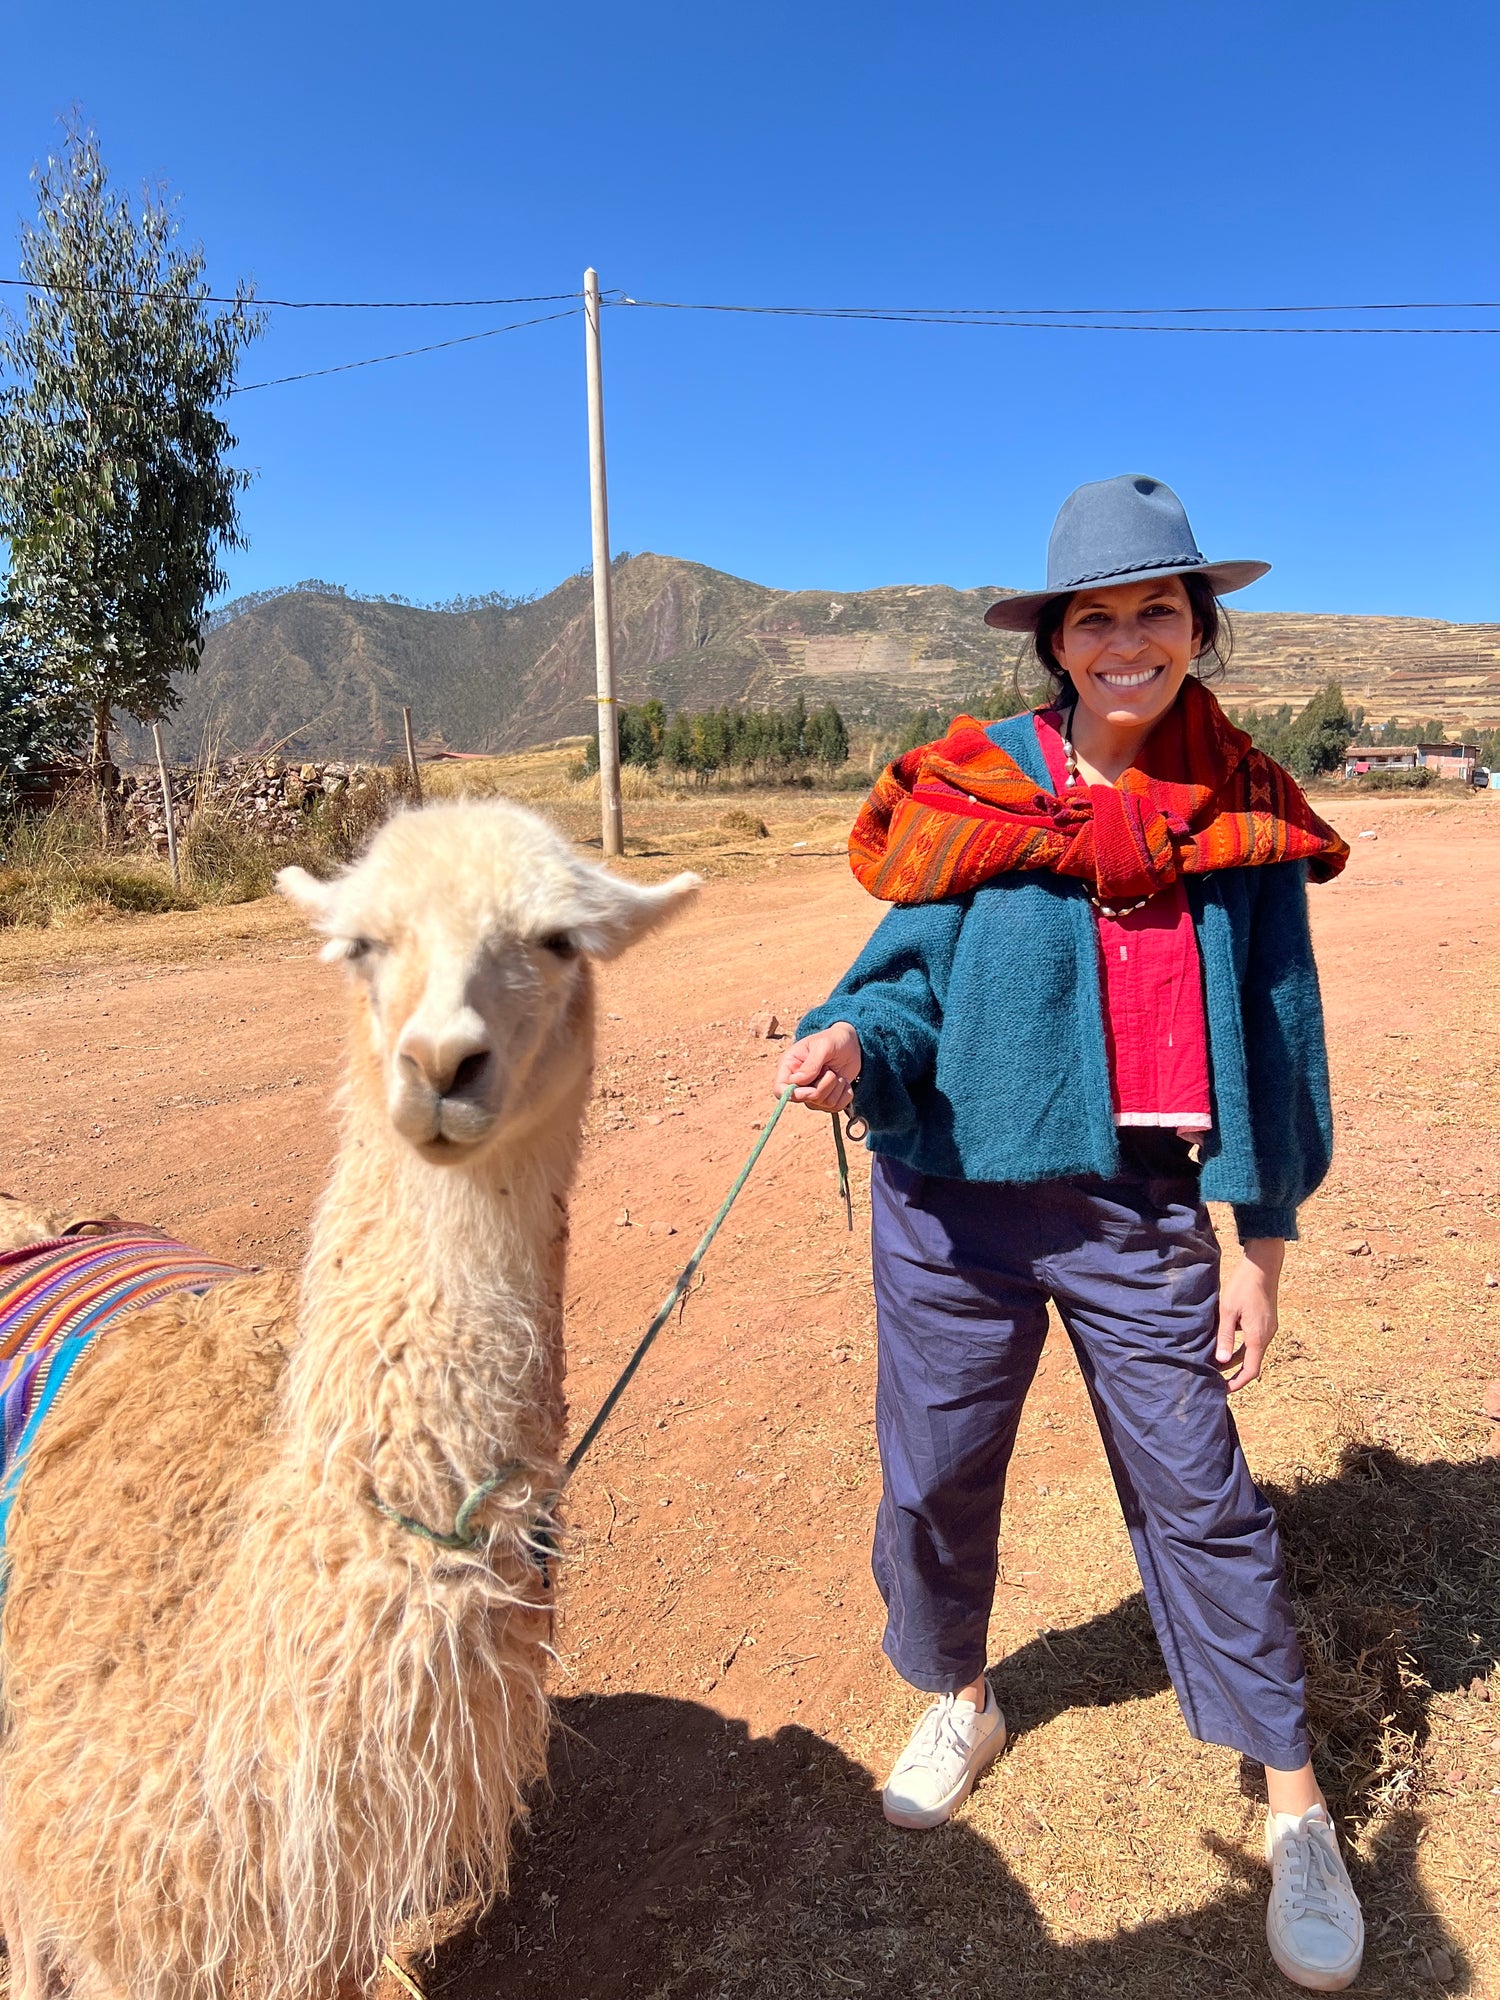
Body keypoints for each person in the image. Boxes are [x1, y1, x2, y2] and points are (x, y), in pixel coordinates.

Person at [775, 475, 1366, 1992]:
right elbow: (895, 987)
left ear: (1197, 629)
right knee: (938, 1472)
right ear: (1055, 641)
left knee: (1202, 1494)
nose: (1125, 643)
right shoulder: (971, 790)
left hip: (1138, 1210)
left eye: (1154, 612)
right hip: (949, 1205)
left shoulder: (1235, 812)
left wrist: (1263, 1242)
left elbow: (1279, 1037)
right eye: (1094, 618)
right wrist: (852, 1046)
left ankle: (1293, 1802)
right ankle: (962, 1694)